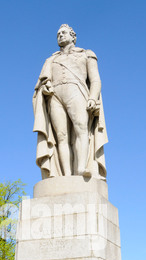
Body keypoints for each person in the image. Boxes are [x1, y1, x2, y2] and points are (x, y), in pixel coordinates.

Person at [33, 24, 108, 179]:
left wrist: (93, 97)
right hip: (55, 96)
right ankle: (65, 174)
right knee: (61, 136)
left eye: (64, 32)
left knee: (81, 130)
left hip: (77, 91)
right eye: (58, 34)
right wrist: (45, 88)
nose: (60, 35)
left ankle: (81, 168)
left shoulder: (86, 54)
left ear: (73, 36)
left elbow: (95, 80)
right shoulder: (51, 59)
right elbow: (41, 83)